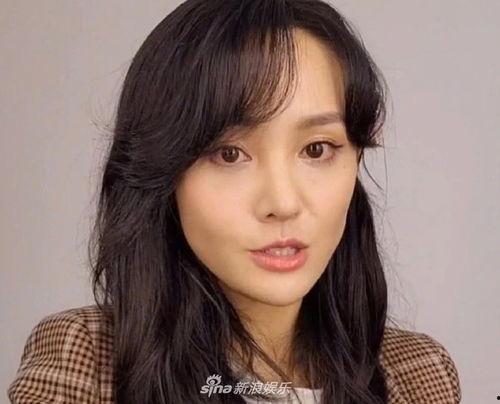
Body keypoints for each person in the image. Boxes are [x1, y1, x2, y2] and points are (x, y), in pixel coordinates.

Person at [7, 0, 461, 403]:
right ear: (163, 171)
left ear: (356, 158)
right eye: (229, 154)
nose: (283, 202)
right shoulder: (88, 361)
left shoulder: (417, 373)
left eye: (316, 149)